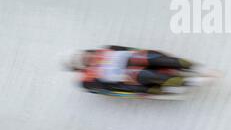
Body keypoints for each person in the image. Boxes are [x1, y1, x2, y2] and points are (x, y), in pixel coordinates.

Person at [69, 45, 211, 95]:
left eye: (85, 55)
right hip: (129, 76)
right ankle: (191, 81)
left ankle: (196, 68)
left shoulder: (106, 49)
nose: (88, 57)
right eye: (84, 59)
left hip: (135, 59)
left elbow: (129, 50)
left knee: (158, 59)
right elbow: (113, 88)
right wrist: (146, 91)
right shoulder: (90, 79)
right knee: (147, 75)